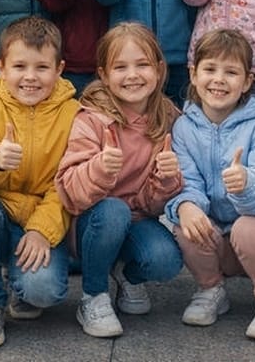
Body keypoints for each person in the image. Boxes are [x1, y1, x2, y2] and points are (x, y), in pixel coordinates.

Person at [0, 17, 80, 349]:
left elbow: (66, 184)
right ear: (1, 67)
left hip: (40, 220)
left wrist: (40, 230)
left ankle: (21, 286)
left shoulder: (74, 114)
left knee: (44, 291)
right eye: (19, 66)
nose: (30, 77)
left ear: (59, 68)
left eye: (42, 67)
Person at [164, 30, 255, 343]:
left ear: (248, 81)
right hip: (217, 244)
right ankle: (211, 290)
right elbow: (188, 182)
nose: (219, 80)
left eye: (231, 72)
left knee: (247, 228)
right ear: (194, 75)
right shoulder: (184, 127)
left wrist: (247, 183)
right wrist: (186, 205)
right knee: (186, 221)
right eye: (210, 70)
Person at [55, 22, 184, 339]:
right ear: (104, 74)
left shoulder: (168, 118)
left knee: (166, 260)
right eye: (121, 67)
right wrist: (99, 168)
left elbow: (153, 205)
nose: (132, 76)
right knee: (114, 211)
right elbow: (69, 191)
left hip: (137, 218)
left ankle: (126, 275)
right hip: (93, 221)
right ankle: (93, 296)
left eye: (142, 65)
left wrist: (166, 181)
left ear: (158, 69)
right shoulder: (91, 118)